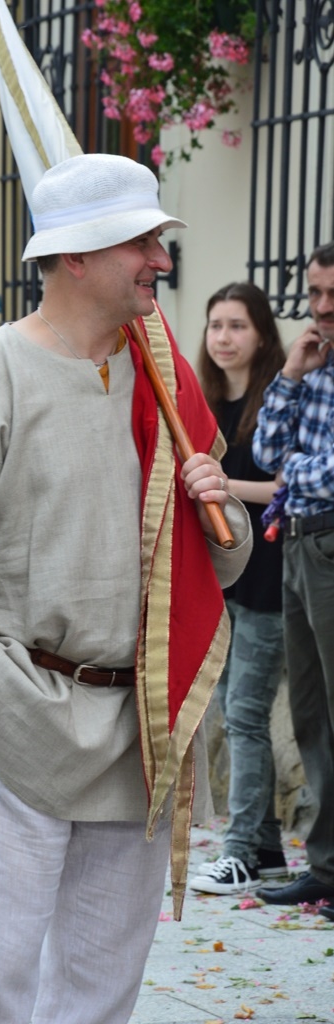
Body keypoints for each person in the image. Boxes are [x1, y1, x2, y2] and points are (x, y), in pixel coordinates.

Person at [0, 153, 252, 1024]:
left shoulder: (166, 383)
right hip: (22, 714)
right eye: (141, 242)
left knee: (103, 988)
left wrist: (220, 508)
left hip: (140, 728)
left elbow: (219, 565)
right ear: (75, 255)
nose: (160, 260)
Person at [187, 282, 287, 897]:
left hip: (272, 580)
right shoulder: (203, 402)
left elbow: (286, 485)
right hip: (222, 580)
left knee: (246, 715)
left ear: (262, 334)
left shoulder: (278, 398)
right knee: (229, 711)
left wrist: (221, 485)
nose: (223, 338)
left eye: (237, 326)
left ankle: (241, 852)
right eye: (216, 325)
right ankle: (267, 846)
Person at [253, 241, 334, 908]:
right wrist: (288, 373)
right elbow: (264, 452)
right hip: (300, 542)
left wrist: (293, 472)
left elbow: (315, 472)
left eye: (333, 295)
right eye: (314, 293)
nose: (322, 307)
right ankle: (327, 868)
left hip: (328, 539)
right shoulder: (313, 362)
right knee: (309, 713)